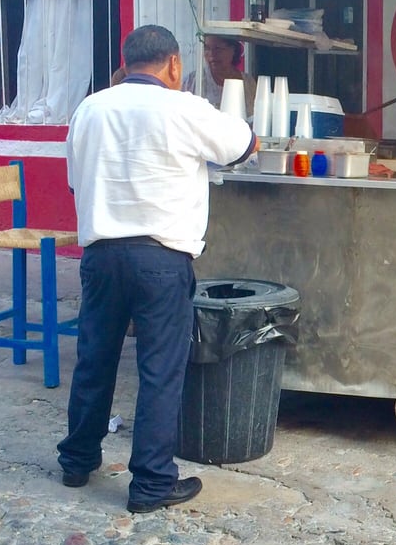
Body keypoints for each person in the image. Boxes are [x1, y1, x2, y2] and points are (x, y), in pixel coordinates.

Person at [58, 25, 258, 513]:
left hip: (102, 256)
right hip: (161, 259)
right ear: (173, 65)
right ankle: (150, 485)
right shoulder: (184, 106)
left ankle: (77, 462)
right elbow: (242, 145)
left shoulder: (90, 108)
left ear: (124, 65)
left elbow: (73, 181)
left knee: (95, 359)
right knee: (159, 371)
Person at [183, 35, 257, 118]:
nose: (212, 54)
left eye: (218, 48)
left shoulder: (249, 83)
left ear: (233, 50)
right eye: (207, 48)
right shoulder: (192, 81)